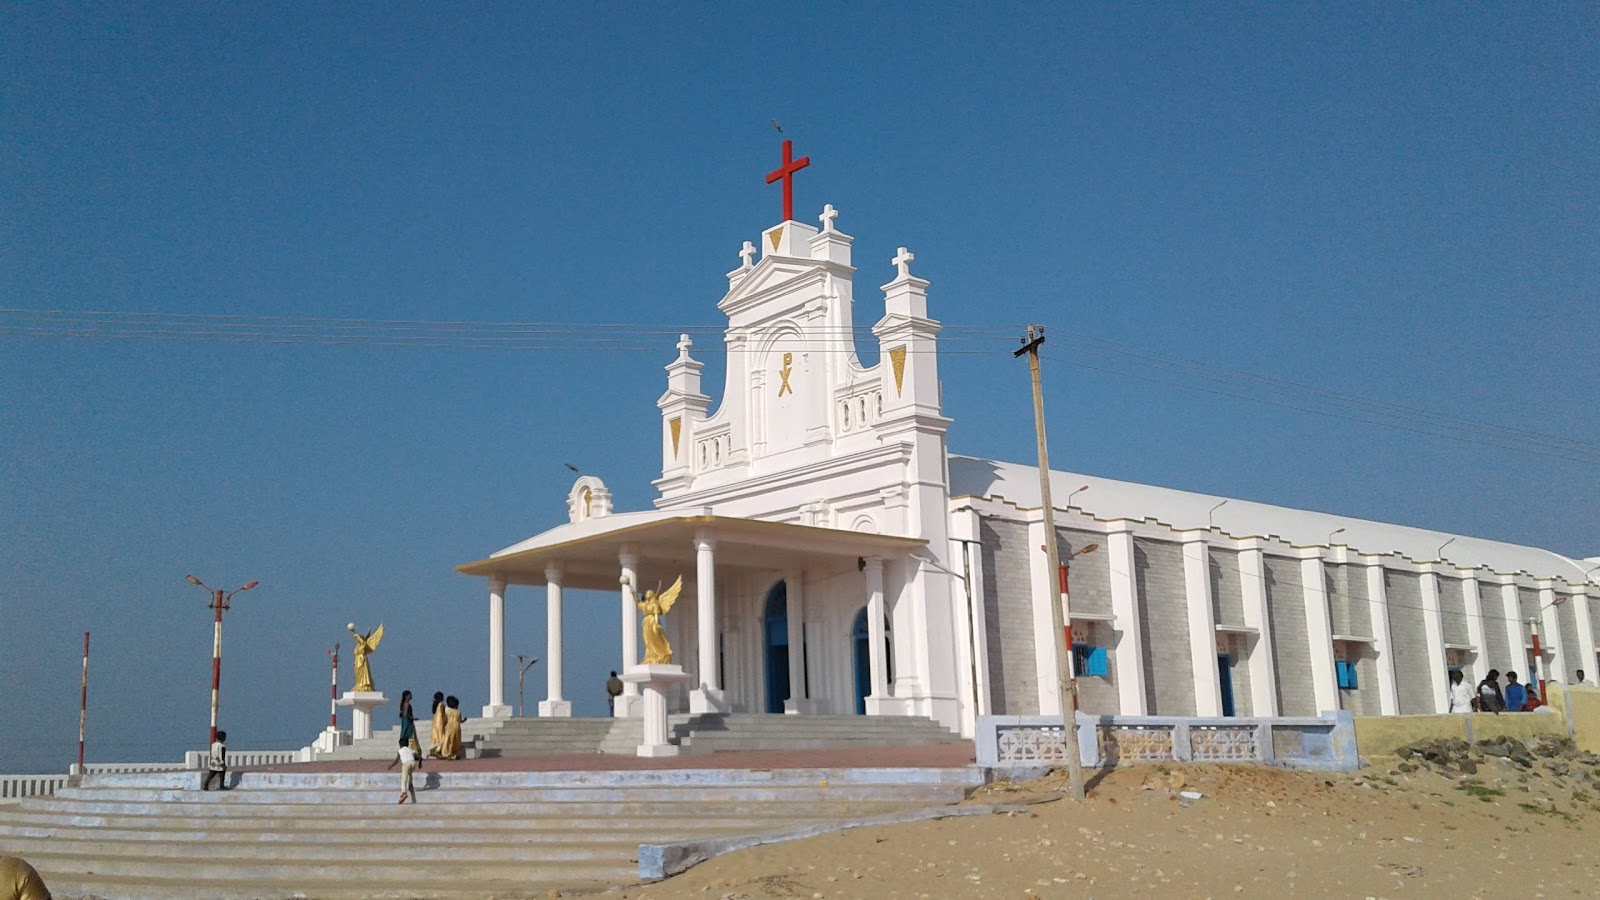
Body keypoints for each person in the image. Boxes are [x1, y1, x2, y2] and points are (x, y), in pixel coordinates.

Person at [386, 735, 421, 804]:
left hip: (406, 764)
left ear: (400, 744)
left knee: (403, 779)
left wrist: (391, 766)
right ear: (408, 744)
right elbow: (419, 757)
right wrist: (420, 763)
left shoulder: (400, 750)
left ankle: (404, 793)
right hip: (413, 763)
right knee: (410, 773)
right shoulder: (410, 750)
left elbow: (396, 760)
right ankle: (410, 785)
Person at [438, 695, 463, 760]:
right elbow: (460, 720)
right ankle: (455, 753)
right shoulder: (458, 712)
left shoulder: (446, 710)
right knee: (456, 741)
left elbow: (444, 718)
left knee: (448, 740)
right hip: (456, 727)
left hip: (448, 727)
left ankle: (447, 753)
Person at [398, 690, 420, 754]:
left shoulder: (403, 703)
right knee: (410, 736)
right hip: (408, 722)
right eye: (409, 695)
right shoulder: (407, 704)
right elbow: (405, 714)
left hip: (405, 721)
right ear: (407, 696)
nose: (411, 696)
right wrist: (413, 718)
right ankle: (412, 751)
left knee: (405, 734)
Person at [428, 691, 446, 758]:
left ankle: (436, 751)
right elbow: (443, 714)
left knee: (436, 738)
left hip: (435, 723)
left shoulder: (435, 705)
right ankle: (438, 751)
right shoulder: (441, 705)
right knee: (442, 738)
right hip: (440, 722)